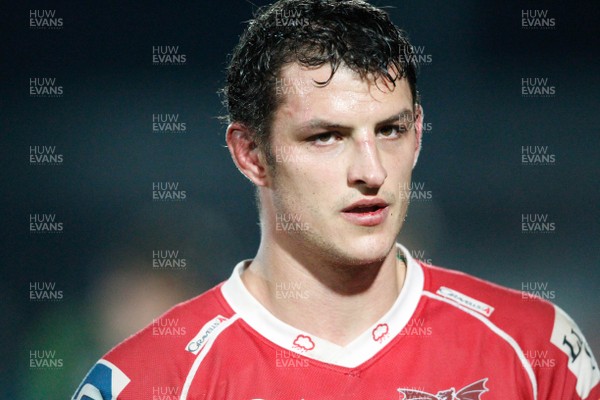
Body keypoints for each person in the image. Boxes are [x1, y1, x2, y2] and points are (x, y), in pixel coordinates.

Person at [73, 0, 599, 399]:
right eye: (326, 136)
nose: (371, 172)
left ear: (418, 133)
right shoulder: (150, 381)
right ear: (251, 154)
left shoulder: (538, 351)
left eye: (390, 130)